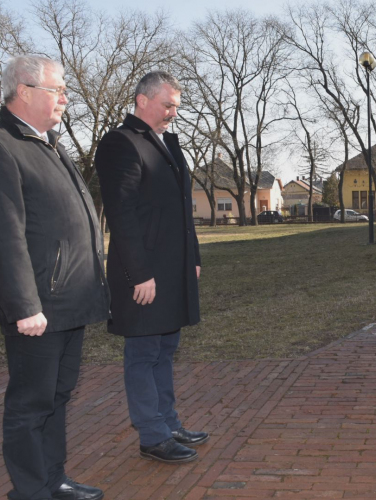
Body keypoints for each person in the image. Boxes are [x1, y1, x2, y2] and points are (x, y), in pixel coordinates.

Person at [0, 55, 109, 500]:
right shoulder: (6, 145)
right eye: (57, 90)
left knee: (59, 395)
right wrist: (25, 305)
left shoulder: (49, 142)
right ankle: (30, 491)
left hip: (68, 300)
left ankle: (52, 479)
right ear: (24, 91)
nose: (65, 97)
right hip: (37, 308)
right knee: (30, 404)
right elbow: (6, 233)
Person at [95, 71, 206, 463]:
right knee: (143, 352)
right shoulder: (120, 144)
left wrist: (191, 258)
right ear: (142, 100)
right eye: (168, 104)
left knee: (164, 348)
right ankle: (152, 435)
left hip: (173, 271)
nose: (174, 112)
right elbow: (121, 214)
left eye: (177, 105)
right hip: (143, 275)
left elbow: (183, 213)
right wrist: (139, 274)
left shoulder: (170, 145)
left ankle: (169, 423)